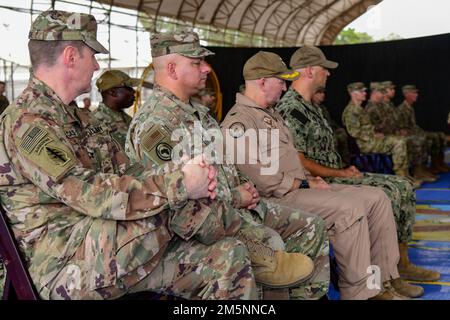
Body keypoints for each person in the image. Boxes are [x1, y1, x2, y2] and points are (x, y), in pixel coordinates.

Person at [0, 10, 257, 300]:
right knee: (169, 208)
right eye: (92, 55)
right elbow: (86, 191)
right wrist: (181, 184)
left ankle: (243, 237)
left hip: (103, 246)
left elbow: (130, 170)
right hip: (63, 263)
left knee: (227, 260)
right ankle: (246, 232)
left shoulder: (80, 118)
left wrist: (182, 175)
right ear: (71, 56)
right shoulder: (28, 122)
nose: (97, 65)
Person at [126, 32, 330, 300]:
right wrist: (236, 198)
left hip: (231, 206)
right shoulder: (157, 126)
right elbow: (181, 212)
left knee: (311, 225)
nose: (207, 68)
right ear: (173, 68)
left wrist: (241, 187)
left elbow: (224, 167)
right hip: (193, 228)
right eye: (197, 63)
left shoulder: (198, 114)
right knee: (270, 242)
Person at [221, 50, 405, 300]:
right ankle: (360, 293)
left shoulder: (270, 114)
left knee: (376, 199)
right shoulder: (239, 122)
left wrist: (311, 179)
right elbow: (263, 180)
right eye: (281, 81)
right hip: (274, 199)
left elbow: (288, 160)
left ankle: (382, 282)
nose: (285, 88)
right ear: (262, 81)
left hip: (297, 188)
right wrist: (307, 181)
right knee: (348, 209)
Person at [273, 51, 440, 297]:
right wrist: (340, 171)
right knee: (390, 193)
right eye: (324, 68)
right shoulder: (291, 108)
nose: (328, 73)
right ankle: (379, 282)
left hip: (333, 173)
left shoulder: (312, 107)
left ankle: (395, 269)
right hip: (320, 180)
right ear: (309, 71)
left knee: (402, 185)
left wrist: (343, 169)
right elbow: (301, 161)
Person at [366, 82, 434, 182]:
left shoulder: (385, 106)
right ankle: (406, 175)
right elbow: (374, 127)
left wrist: (398, 130)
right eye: (382, 91)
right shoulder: (372, 108)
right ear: (375, 92)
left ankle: (417, 171)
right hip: (381, 138)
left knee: (419, 139)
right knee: (411, 141)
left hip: (391, 135)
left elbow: (393, 123)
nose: (384, 94)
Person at [397, 85, 449, 173]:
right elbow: (403, 128)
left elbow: (413, 126)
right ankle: (420, 171)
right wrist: (419, 133)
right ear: (407, 94)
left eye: (416, 92)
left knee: (438, 136)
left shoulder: (409, 107)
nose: (416, 95)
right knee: (424, 139)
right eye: (414, 93)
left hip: (415, 132)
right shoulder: (402, 109)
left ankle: (436, 164)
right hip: (409, 135)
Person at [93, 70, 138, 149]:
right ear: (112, 92)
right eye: (128, 88)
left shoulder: (126, 118)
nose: (134, 91)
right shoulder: (95, 122)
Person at [312, 86, 351, 166]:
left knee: (341, 134)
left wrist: (338, 129)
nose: (322, 95)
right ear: (313, 94)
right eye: (319, 93)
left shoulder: (322, 108)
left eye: (323, 93)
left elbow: (330, 122)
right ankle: (333, 164)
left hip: (329, 131)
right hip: (319, 134)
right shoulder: (310, 108)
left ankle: (345, 163)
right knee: (333, 138)